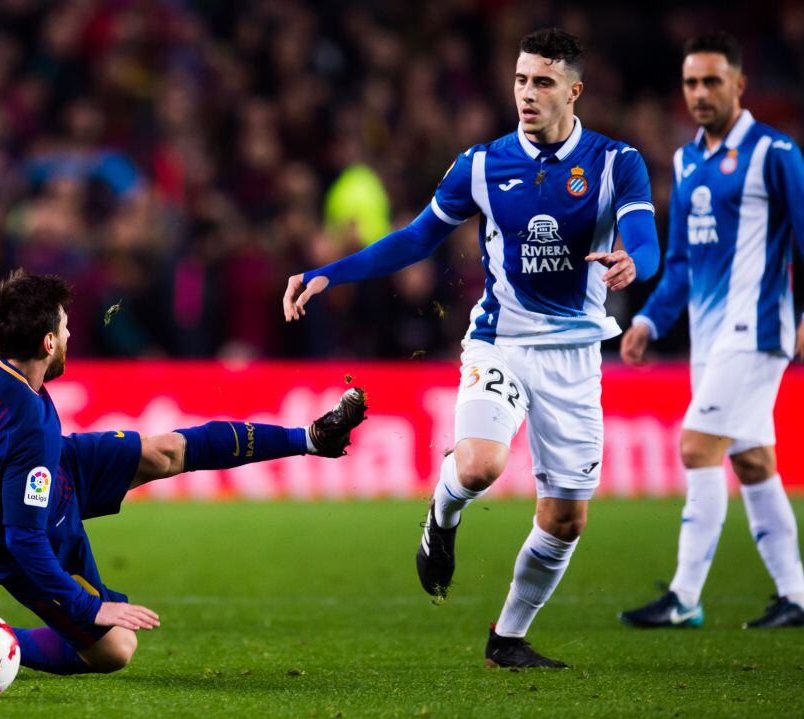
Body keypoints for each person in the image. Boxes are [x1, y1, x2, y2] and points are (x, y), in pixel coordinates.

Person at [283, 28, 660, 667]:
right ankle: (443, 510)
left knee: (565, 520)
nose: (527, 93)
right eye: (521, 80)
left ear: (574, 91)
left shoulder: (615, 162)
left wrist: (634, 263)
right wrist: (330, 274)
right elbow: (416, 238)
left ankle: (507, 638)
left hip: (574, 355)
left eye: (543, 82)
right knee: (481, 465)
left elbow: (644, 238)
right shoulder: (482, 165)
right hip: (500, 342)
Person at [0, 269, 368, 672]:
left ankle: (312, 439)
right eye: (65, 327)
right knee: (116, 648)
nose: (70, 335)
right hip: (4, 536)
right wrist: (92, 607)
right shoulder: (27, 425)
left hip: (40, 469)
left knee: (165, 452)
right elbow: (25, 540)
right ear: (47, 342)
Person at [618, 31, 804, 630]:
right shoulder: (685, 161)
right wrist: (649, 318)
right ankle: (796, 595)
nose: (699, 93)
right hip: (710, 336)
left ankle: (685, 596)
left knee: (697, 446)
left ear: (739, 84)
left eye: (711, 81)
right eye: (691, 83)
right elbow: (679, 262)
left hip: (758, 329)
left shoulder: (775, 152)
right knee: (752, 461)